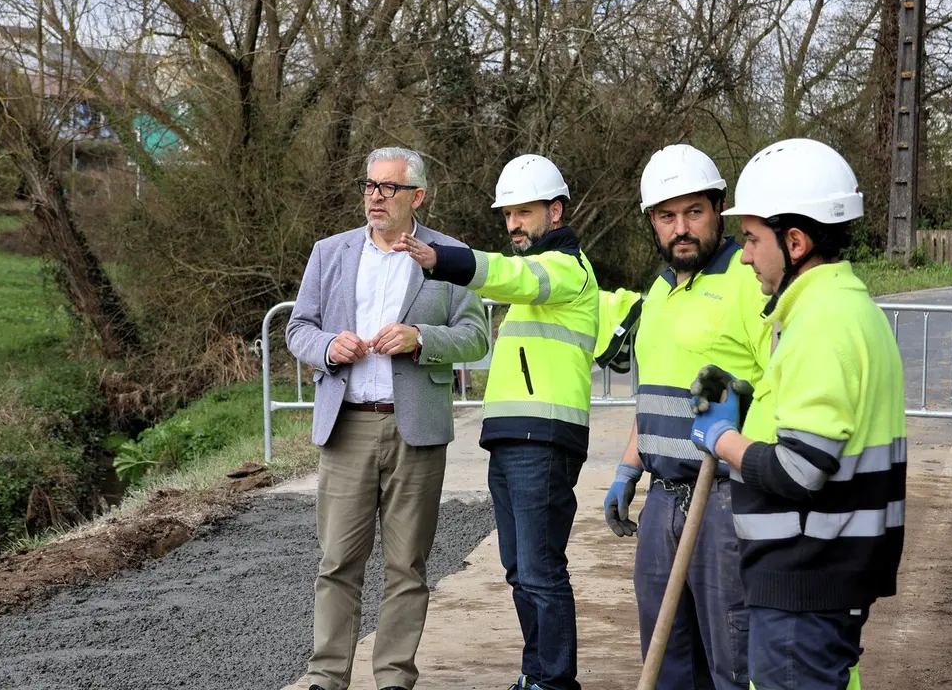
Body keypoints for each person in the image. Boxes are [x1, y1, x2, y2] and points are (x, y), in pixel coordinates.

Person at [689, 138, 907, 690]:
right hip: (823, 575)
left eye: (752, 239)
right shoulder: (839, 309)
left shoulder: (823, 323)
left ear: (796, 240)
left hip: (806, 579)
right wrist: (747, 397)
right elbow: (813, 419)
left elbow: (801, 468)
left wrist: (722, 439)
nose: (743, 256)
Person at [284, 146, 490, 690]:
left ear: (416, 196)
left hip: (415, 429)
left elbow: (475, 335)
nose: (374, 196)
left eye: (388, 188)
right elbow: (297, 328)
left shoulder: (448, 255)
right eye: (369, 186)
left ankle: (394, 677)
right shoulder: (330, 252)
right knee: (337, 562)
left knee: (407, 566)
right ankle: (326, 676)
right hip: (346, 426)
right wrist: (329, 347)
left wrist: (421, 338)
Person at [395, 154, 598, 690]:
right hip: (513, 438)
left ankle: (554, 683)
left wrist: (443, 258)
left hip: (545, 439)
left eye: (524, 213)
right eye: (507, 215)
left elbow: (509, 275)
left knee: (539, 569)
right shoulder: (538, 276)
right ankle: (537, 676)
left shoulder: (563, 270)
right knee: (519, 568)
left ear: (555, 212)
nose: (513, 225)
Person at [600, 145, 773, 689]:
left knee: (734, 662)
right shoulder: (656, 293)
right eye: (667, 216)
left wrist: (739, 426)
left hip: (726, 501)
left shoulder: (750, 282)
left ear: (717, 210)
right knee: (668, 660)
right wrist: (628, 469)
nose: (681, 229)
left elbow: (779, 386)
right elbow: (655, 395)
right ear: (652, 221)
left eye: (694, 212)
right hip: (663, 501)